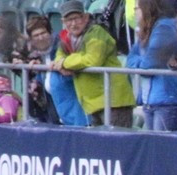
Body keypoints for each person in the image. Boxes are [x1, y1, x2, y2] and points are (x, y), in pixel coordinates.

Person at [50, 0, 135, 128]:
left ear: (85, 17)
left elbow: (92, 59)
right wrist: (63, 64)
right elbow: (59, 57)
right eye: (69, 20)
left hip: (114, 101)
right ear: (63, 22)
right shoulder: (66, 38)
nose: (73, 24)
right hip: (93, 103)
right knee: (98, 145)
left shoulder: (97, 32)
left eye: (76, 18)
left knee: (118, 144)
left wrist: (66, 63)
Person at [127, 0, 177, 132]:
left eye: (137, 9)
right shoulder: (146, 31)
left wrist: (140, 63)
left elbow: (149, 65)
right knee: (154, 149)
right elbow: (129, 59)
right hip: (149, 101)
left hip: (165, 102)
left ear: (147, 9)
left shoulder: (164, 28)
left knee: (163, 149)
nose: (135, 12)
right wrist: (141, 62)